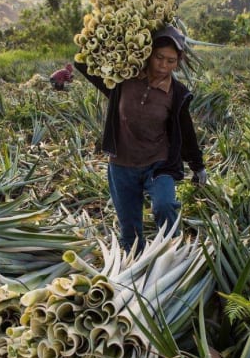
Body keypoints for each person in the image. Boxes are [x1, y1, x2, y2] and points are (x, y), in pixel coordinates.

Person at [73, 25, 206, 255]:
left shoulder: (177, 93)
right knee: (130, 232)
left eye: (171, 61)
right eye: (159, 58)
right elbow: (83, 64)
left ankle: (171, 256)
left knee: (165, 206)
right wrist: (102, 38)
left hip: (158, 163)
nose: (163, 66)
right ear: (149, 54)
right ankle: (136, 272)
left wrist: (198, 166)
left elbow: (187, 131)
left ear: (179, 62)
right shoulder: (124, 79)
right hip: (122, 164)